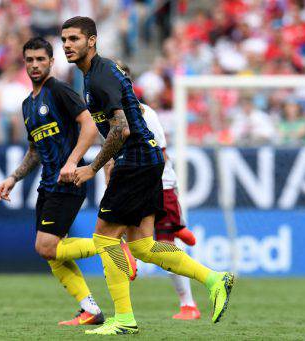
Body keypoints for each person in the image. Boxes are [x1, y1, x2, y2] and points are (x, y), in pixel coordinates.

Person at [61, 16, 234, 335]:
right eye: (64, 40)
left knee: (104, 238)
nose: (67, 45)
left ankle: (124, 319)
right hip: (148, 160)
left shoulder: (100, 77)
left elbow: (121, 128)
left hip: (135, 160)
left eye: (74, 39)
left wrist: (93, 167)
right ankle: (213, 279)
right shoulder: (95, 75)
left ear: (92, 41)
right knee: (142, 246)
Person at [0, 37, 105, 326]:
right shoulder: (27, 105)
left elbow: (90, 125)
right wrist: (14, 177)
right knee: (54, 254)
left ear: (51, 62)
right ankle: (90, 310)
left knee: (45, 247)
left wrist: (72, 161)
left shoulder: (59, 91)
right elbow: (35, 149)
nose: (35, 65)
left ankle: (110, 247)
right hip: (47, 184)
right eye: (30, 60)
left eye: (40, 59)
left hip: (68, 180)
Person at [114, 60, 201, 320]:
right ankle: (173, 229)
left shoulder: (145, 113)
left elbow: (161, 156)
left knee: (163, 244)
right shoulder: (111, 113)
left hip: (158, 185)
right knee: (122, 234)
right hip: (139, 184)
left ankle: (188, 304)